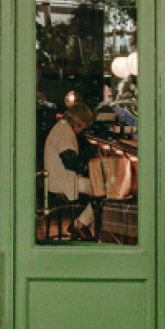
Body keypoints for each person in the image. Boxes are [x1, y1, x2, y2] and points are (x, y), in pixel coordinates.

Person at [42, 100, 97, 240]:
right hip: (62, 182)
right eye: (85, 123)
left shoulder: (61, 128)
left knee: (97, 189)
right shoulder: (64, 133)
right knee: (101, 190)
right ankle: (80, 223)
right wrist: (93, 166)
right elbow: (71, 163)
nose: (84, 127)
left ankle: (81, 222)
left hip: (57, 179)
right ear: (78, 121)